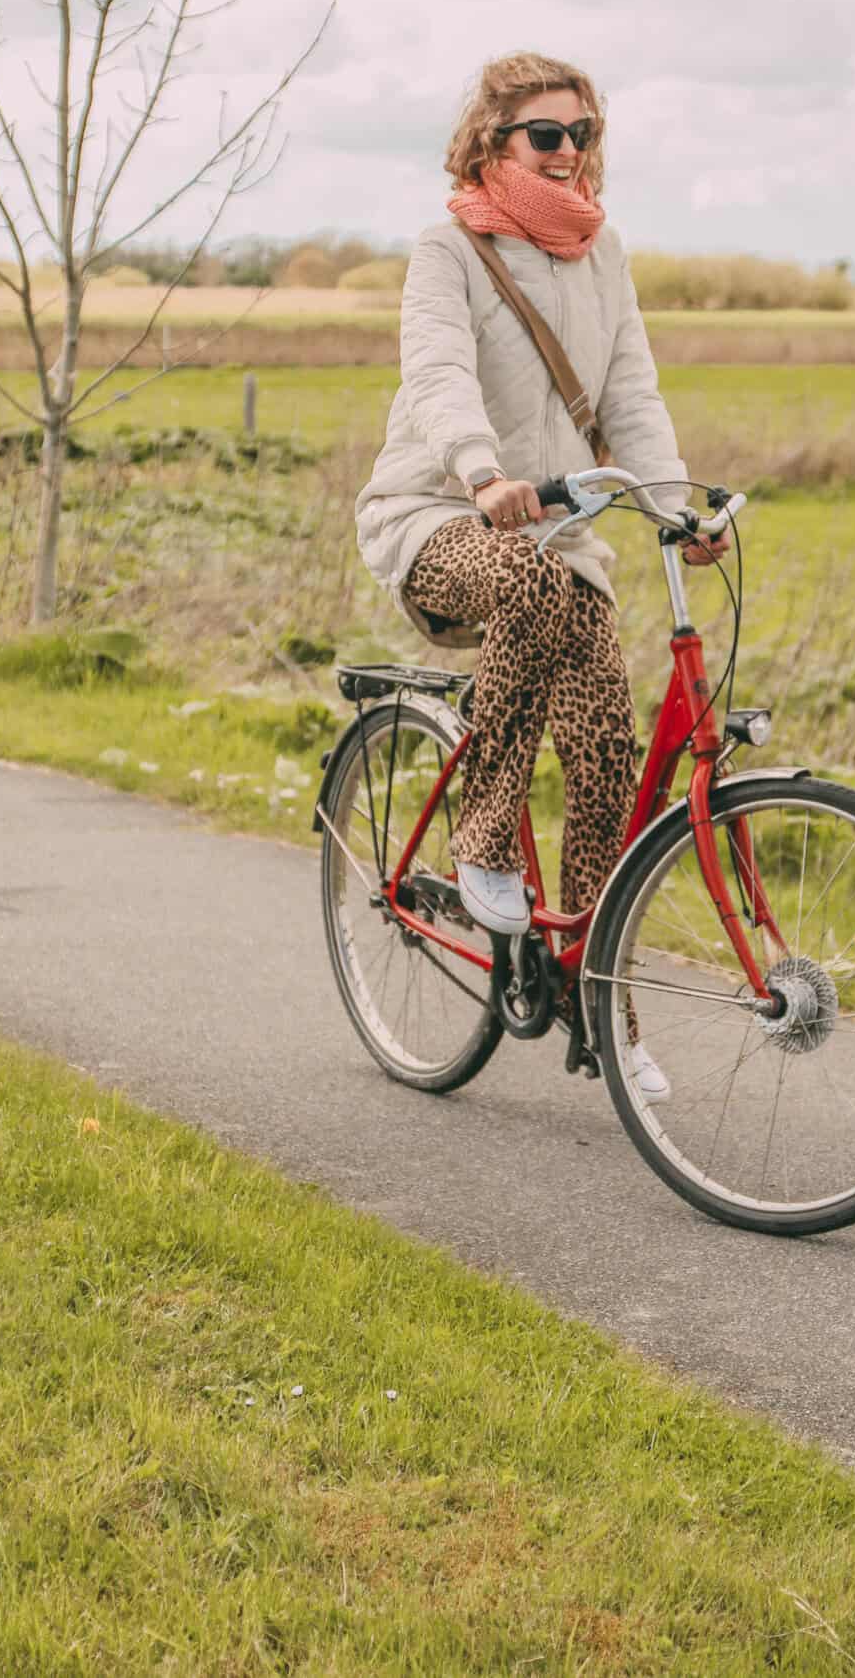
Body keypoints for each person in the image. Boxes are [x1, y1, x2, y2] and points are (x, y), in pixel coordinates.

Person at [355, 53, 727, 1080]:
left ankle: (597, 1000)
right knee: (522, 580)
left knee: (608, 756)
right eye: (546, 135)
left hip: (562, 536)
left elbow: (630, 399)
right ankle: (483, 837)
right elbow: (435, 375)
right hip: (436, 517)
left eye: (584, 133)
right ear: (493, 140)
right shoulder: (448, 249)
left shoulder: (603, 259)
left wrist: (675, 505)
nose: (570, 153)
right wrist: (481, 474)